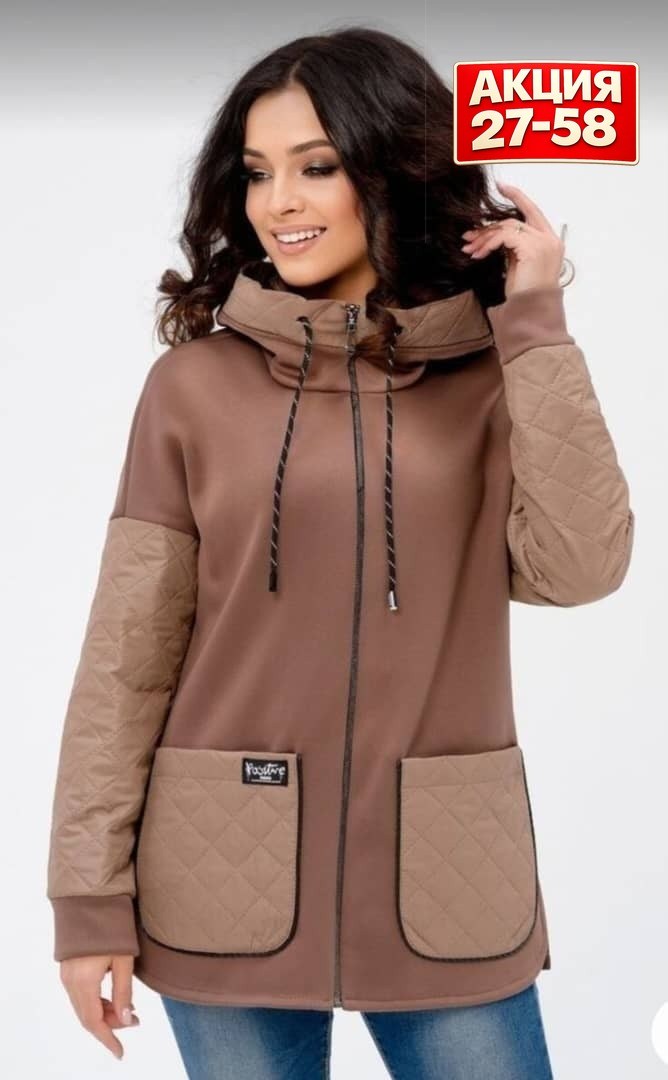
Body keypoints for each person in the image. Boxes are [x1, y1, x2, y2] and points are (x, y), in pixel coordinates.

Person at [45, 24, 634, 1079]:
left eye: (316, 166)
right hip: (222, 871)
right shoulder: (192, 388)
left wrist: (536, 323)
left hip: (446, 875)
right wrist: (87, 901)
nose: (279, 202)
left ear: (393, 167)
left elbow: (580, 567)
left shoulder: (495, 374)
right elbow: (126, 663)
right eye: (257, 172)